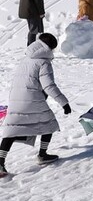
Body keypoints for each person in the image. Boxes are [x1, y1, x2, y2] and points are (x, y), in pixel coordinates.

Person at [0, 33, 71, 176]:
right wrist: (64, 103)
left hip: (15, 98)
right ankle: (42, 155)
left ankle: (0, 163)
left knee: (13, 129)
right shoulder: (43, 62)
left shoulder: (26, 59)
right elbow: (49, 86)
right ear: (50, 48)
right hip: (32, 99)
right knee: (49, 123)